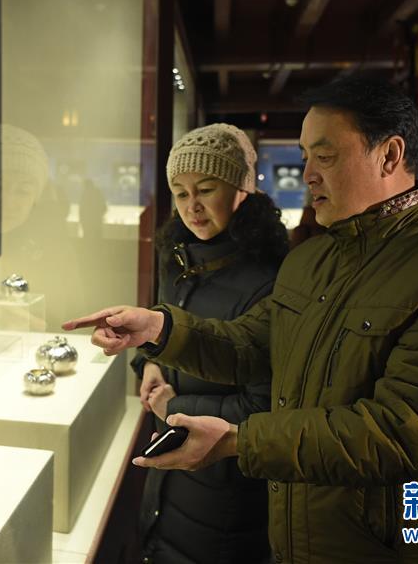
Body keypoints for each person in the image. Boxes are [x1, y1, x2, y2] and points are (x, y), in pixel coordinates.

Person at [63, 76, 418, 564]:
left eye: (324, 156)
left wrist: (240, 441)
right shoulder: (312, 258)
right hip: (295, 528)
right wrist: (159, 330)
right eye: (305, 156)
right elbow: (252, 346)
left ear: (389, 155)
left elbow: (410, 430)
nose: (306, 174)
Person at [132, 123, 288, 564]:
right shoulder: (178, 260)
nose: (192, 207)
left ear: (242, 189)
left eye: (205, 189)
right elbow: (162, 335)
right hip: (169, 476)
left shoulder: (270, 281)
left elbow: (266, 408)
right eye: (180, 193)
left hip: (227, 490)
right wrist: (150, 364)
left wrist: (173, 408)